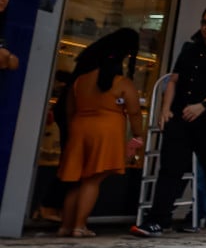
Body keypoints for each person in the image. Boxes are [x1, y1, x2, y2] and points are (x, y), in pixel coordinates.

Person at [134, 5, 206, 237]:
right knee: (170, 169)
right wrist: (165, 109)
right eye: (205, 22)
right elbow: (173, 81)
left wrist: (203, 106)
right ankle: (157, 220)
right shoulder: (190, 50)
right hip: (181, 117)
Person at [58, 29, 143, 237]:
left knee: (76, 180)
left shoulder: (80, 81)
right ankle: (80, 226)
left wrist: (72, 131)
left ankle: (65, 226)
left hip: (79, 127)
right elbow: (134, 113)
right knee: (92, 180)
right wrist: (138, 137)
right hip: (107, 130)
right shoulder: (122, 83)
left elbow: (69, 110)